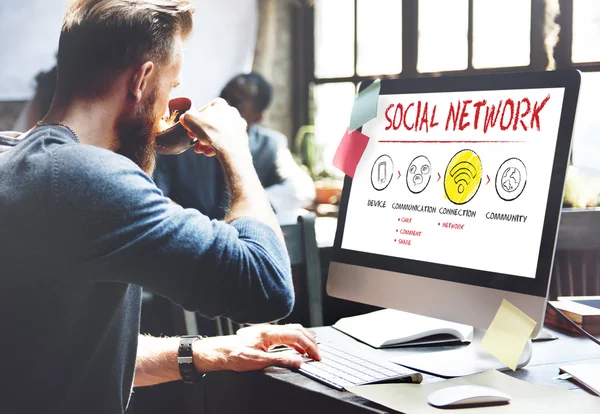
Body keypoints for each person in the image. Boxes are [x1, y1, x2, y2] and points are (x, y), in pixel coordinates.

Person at [0, 1, 319, 413]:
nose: (168, 105)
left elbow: (64, 354)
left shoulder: (16, 156)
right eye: (171, 87)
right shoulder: (86, 177)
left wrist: (214, 351)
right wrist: (237, 151)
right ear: (142, 79)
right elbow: (267, 285)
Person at [154, 72, 316, 223]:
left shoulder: (270, 145)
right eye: (223, 96)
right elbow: (157, 195)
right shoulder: (182, 141)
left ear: (257, 116)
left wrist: (249, 205)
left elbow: (302, 188)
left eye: (236, 102)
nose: (224, 105)